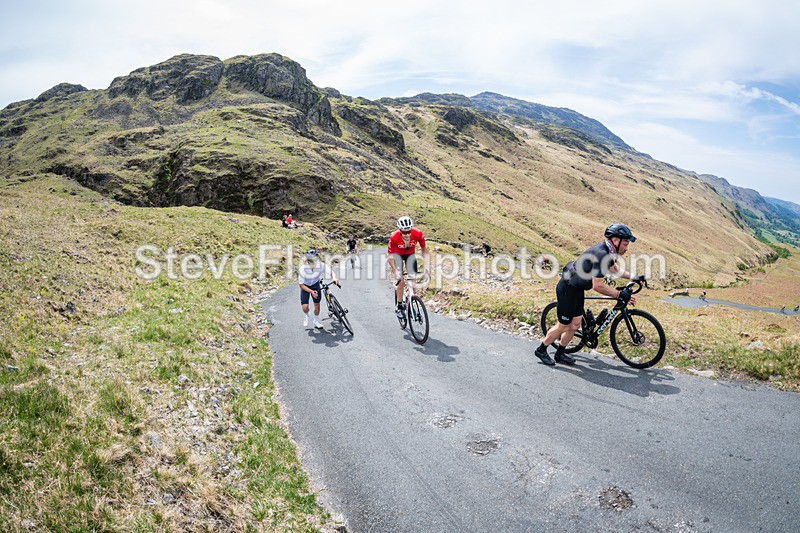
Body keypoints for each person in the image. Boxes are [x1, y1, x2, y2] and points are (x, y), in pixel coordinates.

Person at [534, 223, 645, 366]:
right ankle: (541, 349)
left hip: (578, 288)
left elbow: (615, 270)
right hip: (568, 288)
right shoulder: (601, 254)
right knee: (564, 325)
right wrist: (618, 294)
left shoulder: (609, 252)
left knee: (574, 326)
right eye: (625, 244)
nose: (626, 248)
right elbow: (597, 285)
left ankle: (560, 353)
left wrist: (634, 277)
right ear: (615, 241)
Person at [387, 216, 430, 318]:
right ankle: (399, 305)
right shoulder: (394, 237)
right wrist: (396, 272)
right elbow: (390, 257)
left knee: (413, 282)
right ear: (400, 230)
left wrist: (426, 266)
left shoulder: (418, 233)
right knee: (401, 282)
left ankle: (409, 301)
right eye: (405, 232)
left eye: (409, 231)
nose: (407, 234)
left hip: (410, 255)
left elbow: (424, 249)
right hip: (397, 256)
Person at [298, 248, 339, 329]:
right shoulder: (303, 269)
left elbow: (331, 272)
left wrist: (334, 278)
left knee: (317, 304)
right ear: (308, 261)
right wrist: (311, 292)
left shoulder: (321, 265)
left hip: (315, 285)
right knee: (305, 308)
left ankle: (316, 321)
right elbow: (301, 285)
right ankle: (307, 314)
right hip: (305, 287)